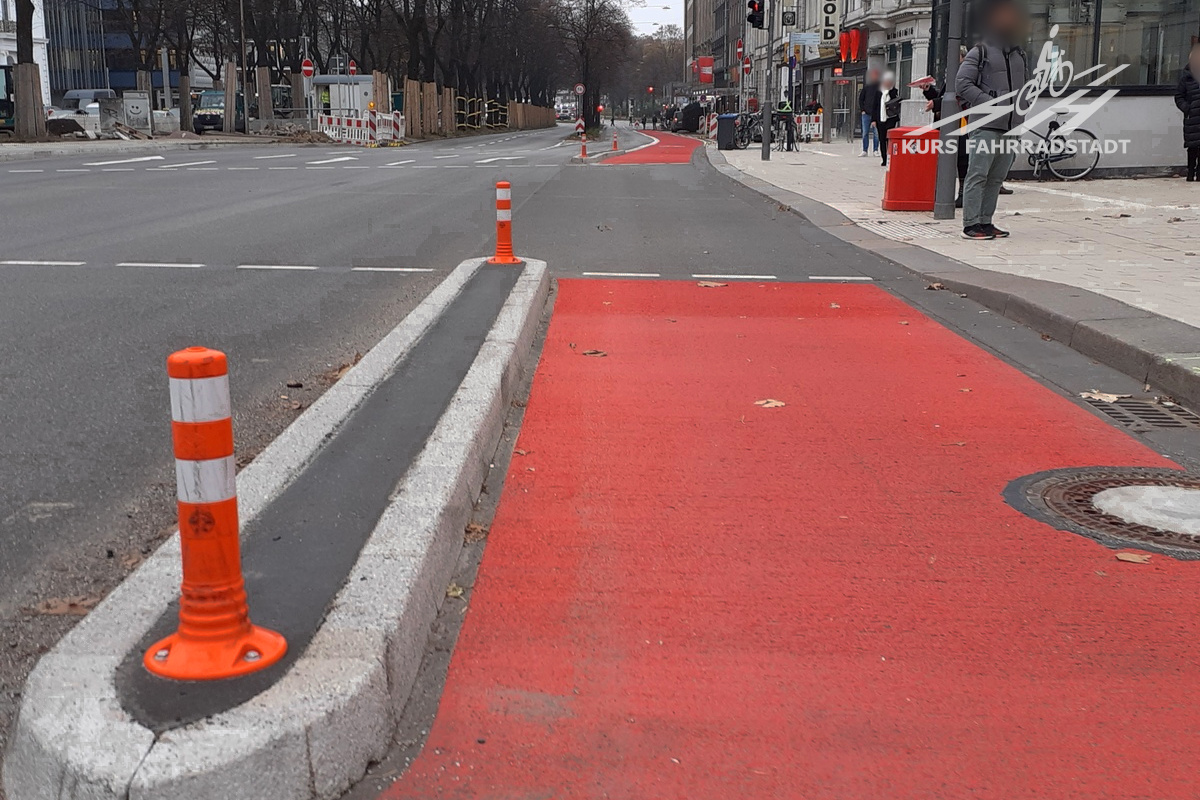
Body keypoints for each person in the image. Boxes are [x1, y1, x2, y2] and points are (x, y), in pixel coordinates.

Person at [955, 0, 1029, 239]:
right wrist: (991, 103)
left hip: (1011, 127)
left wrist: (1023, 106)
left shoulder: (1020, 54)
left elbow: (1025, 87)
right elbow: (962, 84)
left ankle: (986, 221)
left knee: (997, 177)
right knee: (978, 174)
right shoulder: (981, 52)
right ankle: (970, 224)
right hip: (985, 125)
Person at [923, 47, 969, 206]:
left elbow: (957, 97)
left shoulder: (964, 73)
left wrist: (935, 103)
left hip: (960, 123)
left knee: (961, 159)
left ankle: (962, 193)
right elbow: (943, 96)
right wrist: (929, 92)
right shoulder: (952, 74)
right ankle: (944, 192)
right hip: (947, 123)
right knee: (948, 158)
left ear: (962, 57)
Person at [1175, 42, 1200, 181]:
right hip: (1192, 118)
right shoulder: (1186, 78)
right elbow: (1179, 96)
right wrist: (1187, 108)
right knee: (1192, 147)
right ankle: (1190, 173)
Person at [872, 71, 900, 167]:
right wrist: (873, 120)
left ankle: (890, 157)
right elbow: (875, 106)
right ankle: (884, 159)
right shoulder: (878, 92)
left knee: (889, 139)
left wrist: (890, 91)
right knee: (882, 139)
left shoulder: (894, 91)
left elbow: (896, 103)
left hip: (890, 118)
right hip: (880, 119)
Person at [858, 68, 881, 158]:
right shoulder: (867, 87)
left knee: (876, 133)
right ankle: (865, 150)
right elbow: (861, 99)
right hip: (866, 114)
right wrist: (862, 110)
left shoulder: (880, 87)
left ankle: (875, 150)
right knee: (865, 132)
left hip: (876, 114)